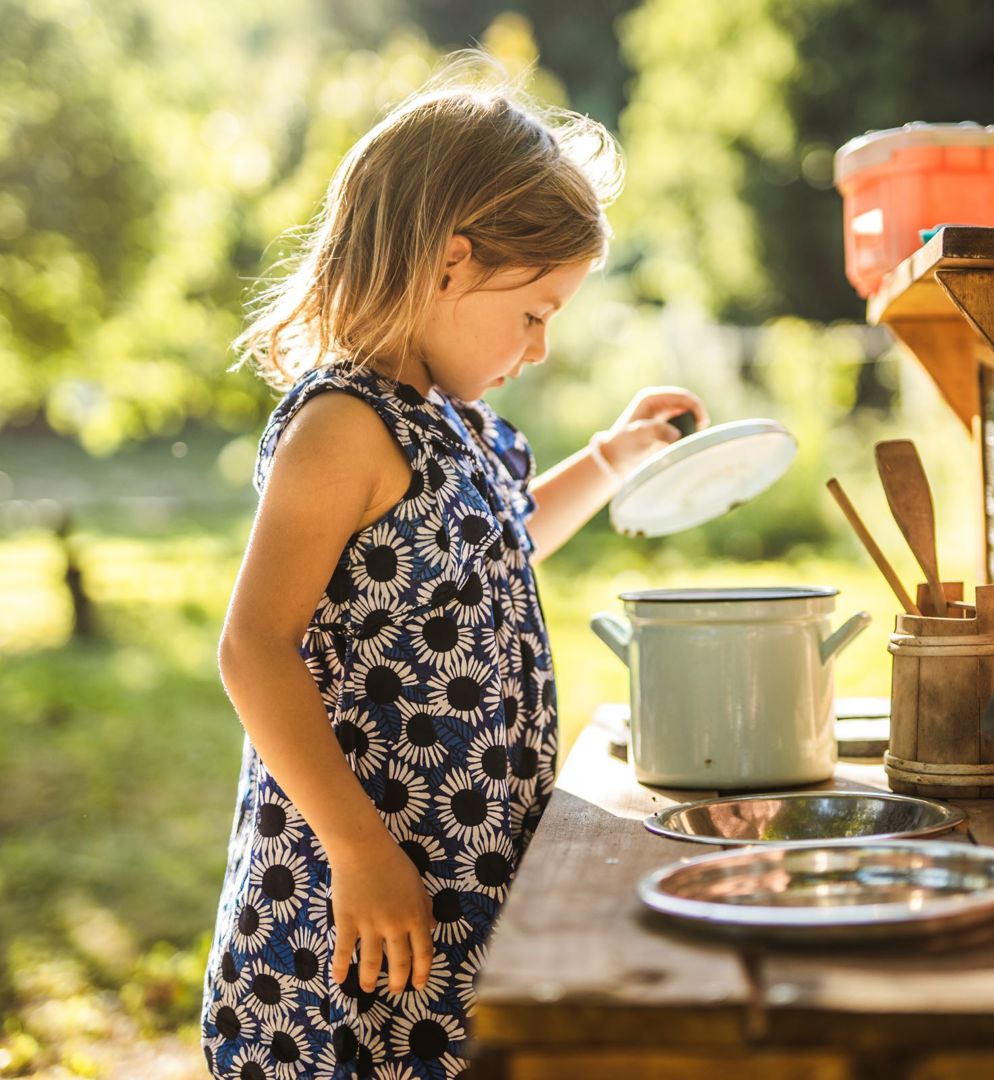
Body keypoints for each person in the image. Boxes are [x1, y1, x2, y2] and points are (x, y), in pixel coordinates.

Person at [201, 54, 708, 1080]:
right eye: (535, 313)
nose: (540, 348)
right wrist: (358, 851)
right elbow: (254, 650)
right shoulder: (343, 426)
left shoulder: (452, 424)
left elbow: (507, 541)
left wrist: (614, 456)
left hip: (456, 861)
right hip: (354, 895)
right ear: (450, 264)